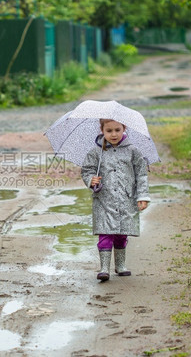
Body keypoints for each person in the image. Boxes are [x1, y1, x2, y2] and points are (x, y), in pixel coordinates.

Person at [81, 119, 150, 282]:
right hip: (104, 199)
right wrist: (91, 180)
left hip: (126, 198)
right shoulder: (96, 152)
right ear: (102, 130)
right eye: (109, 130)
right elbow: (86, 170)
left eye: (117, 130)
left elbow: (141, 174)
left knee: (121, 232)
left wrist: (142, 196)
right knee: (105, 232)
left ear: (124, 128)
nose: (114, 134)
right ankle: (104, 268)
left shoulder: (133, 151)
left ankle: (120, 265)